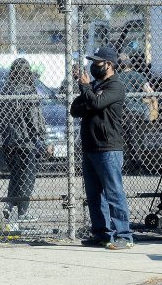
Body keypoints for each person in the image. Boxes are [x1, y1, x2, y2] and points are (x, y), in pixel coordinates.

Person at [71, 46, 133, 250]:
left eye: (97, 62)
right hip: (90, 147)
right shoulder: (95, 85)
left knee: (113, 192)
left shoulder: (115, 86)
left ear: (109, 64)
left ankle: (124, 235)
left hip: (108, 148)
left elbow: (96, 104)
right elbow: (75, 109)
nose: (93, 66)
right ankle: (102, 234)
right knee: (94, 194)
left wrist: (87, 90)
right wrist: (87, 90)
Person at [0, 58, 49, 223]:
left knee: (16, 174)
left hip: (7, 142)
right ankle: (23, 213)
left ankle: (9, 205)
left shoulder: (6, 90)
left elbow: (1, 118)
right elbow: (34, 119)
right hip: (25, 142)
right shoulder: (29, 91)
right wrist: (43, 138)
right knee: (28, 175)